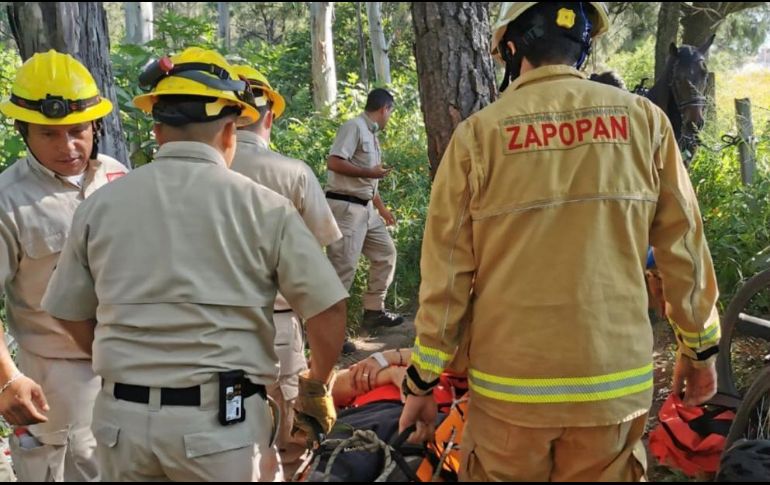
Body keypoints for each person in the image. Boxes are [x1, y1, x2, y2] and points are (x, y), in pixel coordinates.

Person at [398, 2, 721, 482]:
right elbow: (685, 252)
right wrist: (700, 352)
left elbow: (446, 279)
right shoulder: (646, 123)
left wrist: (421, 381)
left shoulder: (476, 139)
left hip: (511, 395)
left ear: (511, 48)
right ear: (583, 45)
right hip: (612, 390)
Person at [40, 47, 347, 482]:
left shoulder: (101, 204)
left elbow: (67, 310)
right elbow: (328, 309)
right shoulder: (265, 208)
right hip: (222, 426)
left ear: (159, 131)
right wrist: (315, 385)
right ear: (228, 131)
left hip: (120, 425)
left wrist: (131, 362)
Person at [0, 49, 128, 482]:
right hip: (56, 379)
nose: (68, 146)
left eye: (78, 131)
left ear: (96, 125)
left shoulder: (116, 177)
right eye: (49, 134)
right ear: (23, 132)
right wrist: (5, 379)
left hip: (131, 367)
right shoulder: (8, 200)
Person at [230, 63, 342, 477]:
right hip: (280, 328)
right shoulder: (292, 173)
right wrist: (320, 364)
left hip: (211, 333)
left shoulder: (189, 176)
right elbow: (319, 273)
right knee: (294, 438)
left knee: (232, 439)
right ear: (270, 117)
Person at [325, 88, 403, 354]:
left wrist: (382, 209)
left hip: (367, 210)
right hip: (346, 207)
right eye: (390, 112)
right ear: (385, 109)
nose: (389, 117)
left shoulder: (371, 134)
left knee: (385, 253)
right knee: (342, 269)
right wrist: (368, 171)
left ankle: (373, 311)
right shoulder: (354, 127)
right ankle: (326, 334)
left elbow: (370, 180)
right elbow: (334, 162)